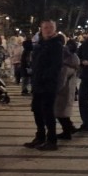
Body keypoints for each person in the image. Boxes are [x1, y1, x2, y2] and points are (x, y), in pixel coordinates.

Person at [26, 20, 64, 150]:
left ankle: (52, 140)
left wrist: (45, 77)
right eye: (45, 27)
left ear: (55, 29)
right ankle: (40, 136)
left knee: (47, 111)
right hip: (37, 82)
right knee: (36, 110)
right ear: (41, 29)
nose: (48, 29)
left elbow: (56, 66)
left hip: (48, 83)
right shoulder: (40, 44)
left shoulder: (57, 44)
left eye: (50, 27)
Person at [55, 37, 81, 140]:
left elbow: (62, 80)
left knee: (60, 112)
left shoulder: (66, 65)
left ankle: (67, 132)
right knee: (62, 112)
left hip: (63, 92)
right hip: (67, 91)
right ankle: (70, 128)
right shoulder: (72, 61)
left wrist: (55, 90)